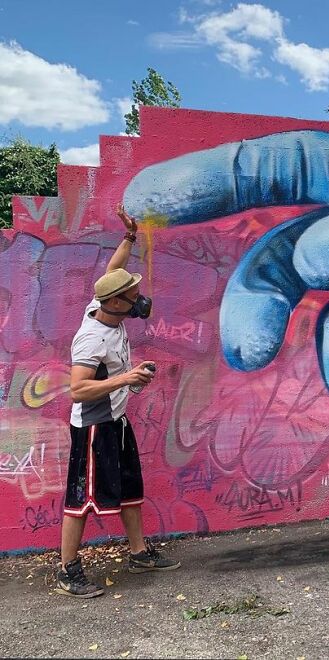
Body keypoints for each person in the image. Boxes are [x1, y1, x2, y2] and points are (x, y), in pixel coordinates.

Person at [57, 204, 179, 599]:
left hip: (117, 421)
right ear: (114, 304)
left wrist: (129, 236)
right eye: (133, 298)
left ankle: (139, 554)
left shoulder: (103, 304)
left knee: (130, 488)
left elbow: (113, 270)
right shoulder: (91, 339)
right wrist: (125, 378)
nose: (139, 302)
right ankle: (68, 570)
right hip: (94, 428)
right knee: (81, 498)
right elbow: (77, 390)